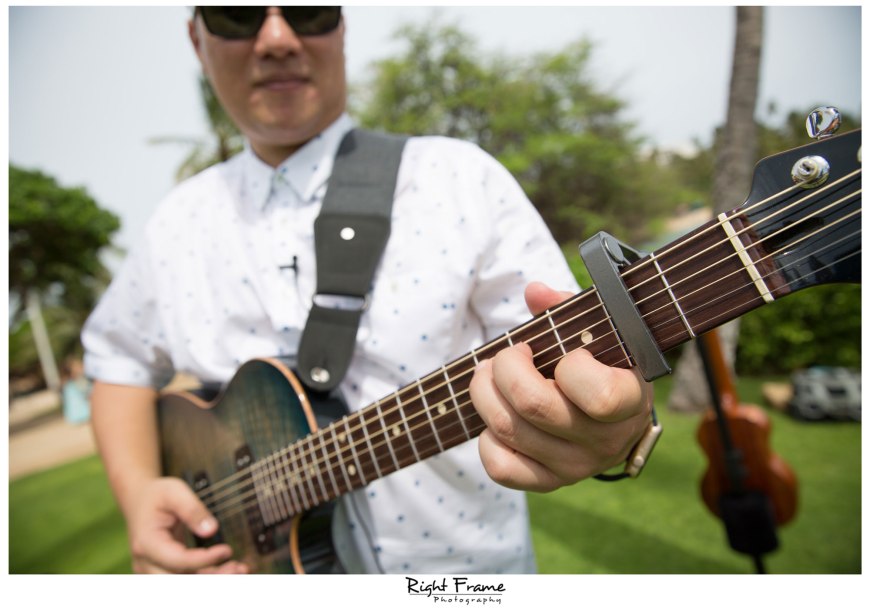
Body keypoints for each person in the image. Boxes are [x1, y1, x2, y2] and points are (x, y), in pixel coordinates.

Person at [82, 6, 652, 575]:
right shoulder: (174, 225)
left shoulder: (459, 180)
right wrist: (138, 498)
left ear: (342, 26)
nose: (277, 38)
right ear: (196, 38)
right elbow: (116, 361)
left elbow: (580, 361)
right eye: (238, 15)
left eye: (308, 13)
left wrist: (615, 424)